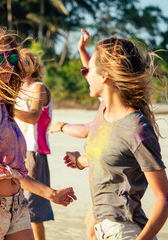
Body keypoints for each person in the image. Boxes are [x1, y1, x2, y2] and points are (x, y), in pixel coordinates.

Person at [0, 26, 76, 240]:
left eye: (12, 57)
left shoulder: (3, 99)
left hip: (17, 205)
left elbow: (12, 170)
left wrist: (50, 194)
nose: (7, 64)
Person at [63, 34, 168, 240]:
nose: (85, 74)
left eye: (88, 71)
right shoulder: (103, 114)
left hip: (126, 232)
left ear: (105, 76)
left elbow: (165, 199)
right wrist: (79, 161)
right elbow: (116, 161)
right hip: (105, 230)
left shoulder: (136, 128)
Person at [48, 28, 97, 240]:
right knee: (91, 224)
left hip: (113, 197)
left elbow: (87, 130)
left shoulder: (112, 108)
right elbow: (93, 71)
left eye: (88, 72)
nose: (85, 75)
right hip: (104, 189)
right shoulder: (113, 101)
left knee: (92, 227)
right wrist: (81, 49)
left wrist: (61, 126)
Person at [14, 48, 53, 240]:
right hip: (17, 151)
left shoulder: (39, 88)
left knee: (33, 208)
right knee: (18, 205)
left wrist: (8, 108)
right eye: (17, 61)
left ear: (34, 65)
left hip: (34, 151)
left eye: (26, 61)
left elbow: (33, 117)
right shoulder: (16, 90)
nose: (20, 64)